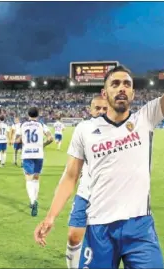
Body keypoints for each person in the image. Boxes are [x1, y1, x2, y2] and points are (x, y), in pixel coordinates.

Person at [34, 5, 164, 268]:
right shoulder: (85, 130)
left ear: (133, 94)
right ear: (104, 94)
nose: (121, 88)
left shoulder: (146, 118)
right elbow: (71, 176)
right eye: (115, 84)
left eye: (127, 84)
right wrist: (50, 217)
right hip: (98, 229)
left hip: (140, 229)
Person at [65, 95, 108, 268]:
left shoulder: (118, 131)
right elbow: (72, 168)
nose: (101, 112)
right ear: (90, 110)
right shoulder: (83, 129)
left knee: (102, 242)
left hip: (107, 197)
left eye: (105, 108)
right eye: (97, 108)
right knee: (73, 236)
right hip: (85, 192)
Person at [15, 107, 53, 216]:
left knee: (28, 178)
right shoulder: (41, 125)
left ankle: (32, 201)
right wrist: (43, 145)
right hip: (38, 153)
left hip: (27, 154)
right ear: (38, 114)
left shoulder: (23, 125)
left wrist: (22, 141)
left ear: (28, 114)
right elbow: (50, 138)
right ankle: (35, 198)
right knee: (36, 178)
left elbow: (17, 140)